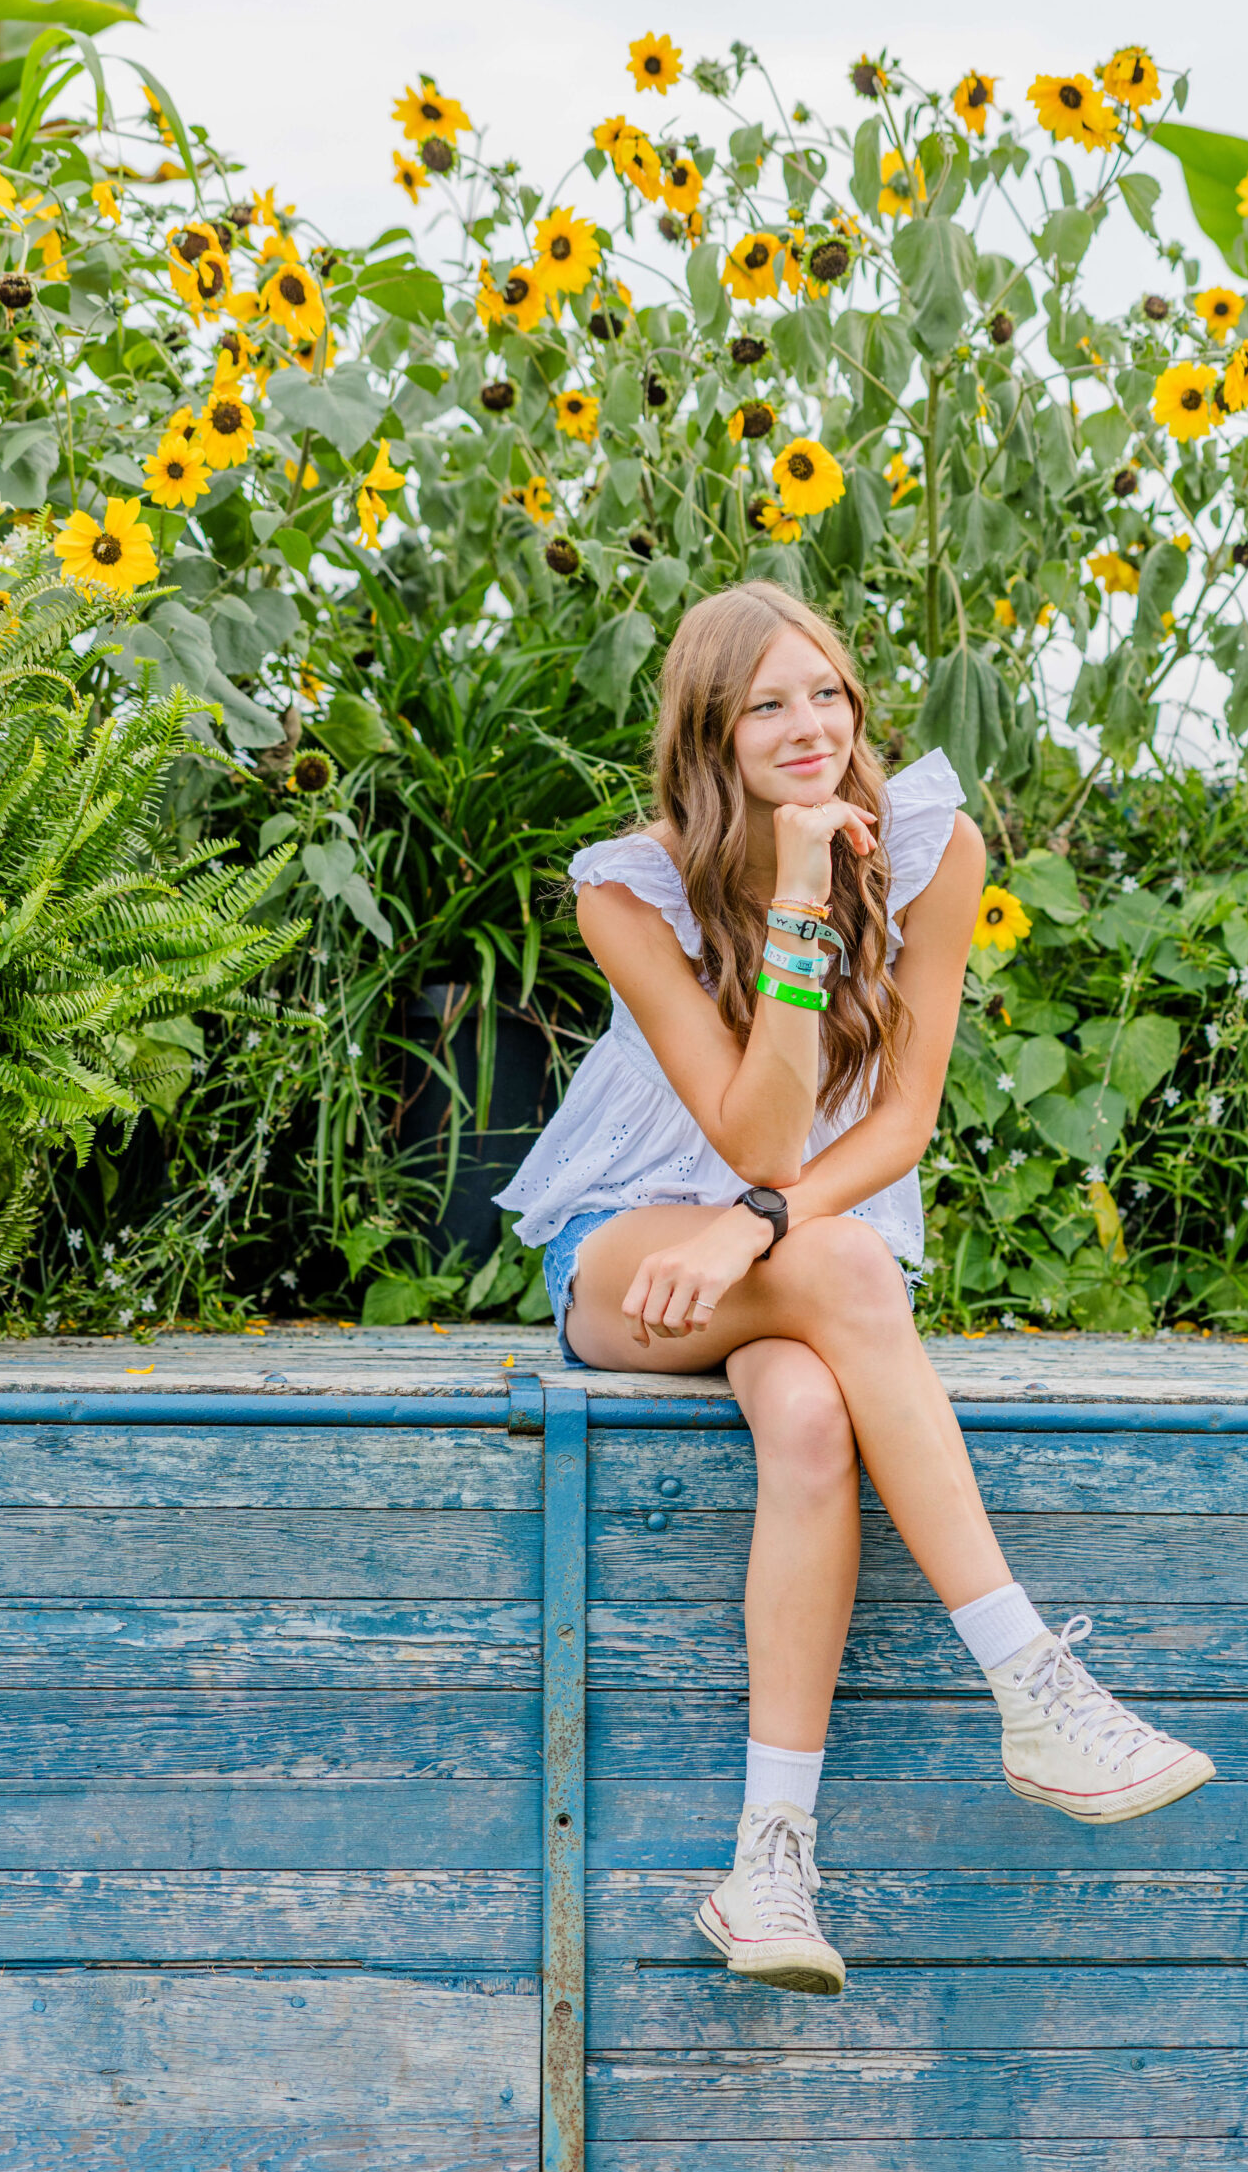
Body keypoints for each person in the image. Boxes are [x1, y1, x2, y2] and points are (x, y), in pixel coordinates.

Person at [499, 580, 1212, 1996]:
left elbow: (898, 1127)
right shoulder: (623, 890)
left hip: (785, 1249)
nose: (807, 724)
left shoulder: (938, 846)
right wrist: (799, 892)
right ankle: (1029, 1680)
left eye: (823, 690)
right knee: (836, 1263)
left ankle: (769, 1868)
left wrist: (753, 1228)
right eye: (765, 705)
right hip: (633, 1253)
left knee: (817, 1418)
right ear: (712, 735)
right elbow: (758, 1133)